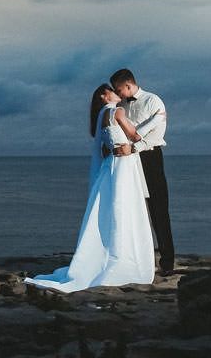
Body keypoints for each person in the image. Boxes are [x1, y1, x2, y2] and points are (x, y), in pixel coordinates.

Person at [27, 84, 155, 291]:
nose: (118, 93)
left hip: (111, 165)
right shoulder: (116, 111)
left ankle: (109, 252)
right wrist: (153, 125)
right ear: (105, 96)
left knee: (111, 210)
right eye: (113, 91)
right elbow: (134, 135)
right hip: (124, 165)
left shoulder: (101, 116)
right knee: (125, 210)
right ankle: (124, 257)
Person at [110, 67, 175, 276]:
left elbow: (157, 133)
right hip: (128, 160)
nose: (118, 95)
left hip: (150, 157)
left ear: (128, 85)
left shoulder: (153, 101)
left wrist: (135, 146)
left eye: (119, 90)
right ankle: (137, 258)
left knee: (159, 210)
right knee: (132, 209)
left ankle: (167, 261)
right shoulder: (121, 105)